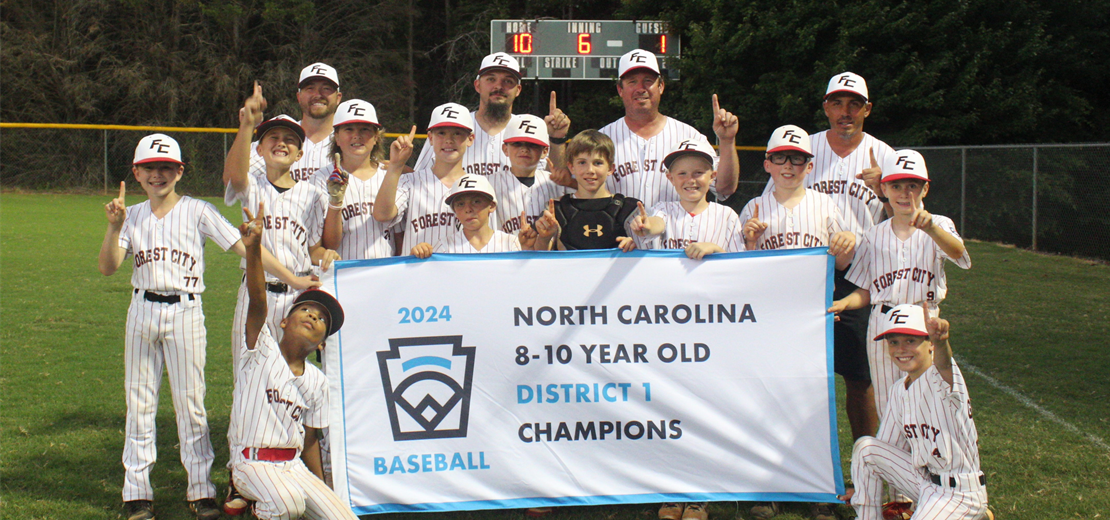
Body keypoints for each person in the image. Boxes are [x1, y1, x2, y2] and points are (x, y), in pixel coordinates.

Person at [99, 134, 314, 520]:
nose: (158, 174)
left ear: (179, 171)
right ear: (136, 172)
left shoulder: (198, 211)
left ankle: (200, 489)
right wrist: (114, 227)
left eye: (166, 167)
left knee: (190, 402)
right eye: (150, 168)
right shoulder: (130, 214)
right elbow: (108, 266)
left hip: (185, 311)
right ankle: (136, 491)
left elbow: (246, 247)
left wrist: (293, 279)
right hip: (142, 309)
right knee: (140, 402)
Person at [737, 125, 859, 520]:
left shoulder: (827, 206)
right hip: (768, 320)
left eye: (798, 159)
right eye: (781, 158)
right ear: (767, 162)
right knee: (767, 402)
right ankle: (767, 486)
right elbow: (738, 275)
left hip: (813, 322)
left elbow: (845, 262)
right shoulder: (753, 207)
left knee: (813, 404)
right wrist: (750, 245)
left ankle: (818, 487)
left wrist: (846, 246)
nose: (789, 166)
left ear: (810, 165)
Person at [228, 203, 359, 520]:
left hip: (293, 465)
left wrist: (322, 489)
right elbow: (258, 300)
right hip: (251, 461)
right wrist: (255, 248)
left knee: (342, 518)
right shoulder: (260, 350)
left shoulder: (317, 381)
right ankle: (258, 506)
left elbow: (311, 440)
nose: (313, 315)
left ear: (323, 341)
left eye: (322, 319)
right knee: (288, 505)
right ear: (284, 322)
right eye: (305, 309)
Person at [830, 149, 972, 426]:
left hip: (923, 321)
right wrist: (843, 304)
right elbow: (866, 290)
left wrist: (931, 229)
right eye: (896, 185)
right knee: (887, 406)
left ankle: (931, 464)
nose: (904, 193)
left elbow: (959, 255)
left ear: (925, 188)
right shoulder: (874, 234)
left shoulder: (939, 224)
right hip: (883, 322)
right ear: (884, 188)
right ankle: (898, 465)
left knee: (929, 403)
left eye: (912, 185)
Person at [848, 304, 991, 520]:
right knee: (866, 448)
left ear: (929, 344)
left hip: (960, 492)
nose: (900, 349)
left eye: (910, 341)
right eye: (893, 342)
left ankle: (972, 514)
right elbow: (886, 449)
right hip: (924, 484)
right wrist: (861, 491)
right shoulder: (898, 390)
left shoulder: (942, 379)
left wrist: (942, 343)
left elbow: (944, 364)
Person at [599, 49, 739, 208]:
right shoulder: (602, 139)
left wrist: (727, 141)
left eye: (648, 80)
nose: (641, 88)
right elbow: (575, 186)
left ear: (661, 86)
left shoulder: (689, 136)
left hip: (676, 232)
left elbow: (724, 187)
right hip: (619, 232)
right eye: (632, 81)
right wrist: (562, 141)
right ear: (620, 90)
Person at [411, 53, 571, 177]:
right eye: (491, 79)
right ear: (477, 85)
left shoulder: (532, 128)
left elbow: (556, 181)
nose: (498, 86)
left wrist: (556, 140)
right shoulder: (452, 124)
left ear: (518, 90)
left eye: (508, 81)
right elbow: (420, 176)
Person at [373, 102, 472, 254]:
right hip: (418, 273)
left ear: (470, 138)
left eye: (457, 133)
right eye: (441, 133)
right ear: (430, 138)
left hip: (463, 274)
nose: (449, 140)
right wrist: (395, 166)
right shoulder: (410, 181)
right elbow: (382, 215)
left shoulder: (479, 186)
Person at [310, 98, 400, 260]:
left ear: (376, 137)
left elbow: (400, 236)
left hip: (386, 272)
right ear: (336, 137)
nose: (357, 136)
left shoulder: (390, 176)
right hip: (343, 273)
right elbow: (327, 245)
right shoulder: (320, 179)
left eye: (365, 129)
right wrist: (335, 204)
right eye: (349, 130)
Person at [631, 138, 745, 259]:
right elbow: (657, 224)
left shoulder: (727, 215)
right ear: (670, 178)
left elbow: (737, 263)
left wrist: (715, 249)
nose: (690, 180)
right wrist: (647, 226)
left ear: (712, 176)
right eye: (682, 174)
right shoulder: (663, 209)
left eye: (698, 173)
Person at [533, 130, 639, 252]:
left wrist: (635, 244)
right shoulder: (556, 210)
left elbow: (647, 245)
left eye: (598, 163)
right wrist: (544, 238)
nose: (590, 170)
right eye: (582, 162)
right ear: (571, 167)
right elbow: (538, 258)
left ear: (610, 168)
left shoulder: (629, 209)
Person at [249, 62, 343, 182]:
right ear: (299, 97)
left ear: (338, 98)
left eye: (326, 89)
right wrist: (246, 127)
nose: (318, 94)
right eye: (310, 88)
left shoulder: (349, 142)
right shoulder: (277, 140)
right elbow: (233, 180)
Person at [487, 113, 569, 238]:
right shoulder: (488, 183)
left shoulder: (555, 183)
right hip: (505, 256)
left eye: (532, 145)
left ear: (545, 152)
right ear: (505, 149)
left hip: (549, 257)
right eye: (517, 144)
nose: (524, 149)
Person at [411, 174, 522, 256]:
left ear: (491, 206)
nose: (468, 209)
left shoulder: (510, 243)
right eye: (460, 204)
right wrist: (416, 258)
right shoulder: (444, 246)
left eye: (476, 201)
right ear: (454, 211)